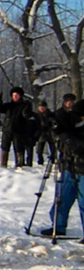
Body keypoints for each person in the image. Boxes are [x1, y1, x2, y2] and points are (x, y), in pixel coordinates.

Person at [42, 93, 78, 237]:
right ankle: (58, 225)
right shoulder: (61, 114)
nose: (69, 104)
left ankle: (59, 225)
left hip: (76, 161)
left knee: (73, 195)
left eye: (71, 102)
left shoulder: (75, 116)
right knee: (63, 195)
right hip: (69, 160)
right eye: (67, 101)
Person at [53, 99, 84, 243]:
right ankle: (58, 226)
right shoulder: (72, 126)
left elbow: (78, 145)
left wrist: (73, 141)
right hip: (69, 166)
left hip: (82, 169)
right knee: (62, 198)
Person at [0, 87, 32, 168]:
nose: (15, 97)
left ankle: (19, 165)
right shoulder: (9, 106)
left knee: (19, 148)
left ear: (20, 96)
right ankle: (3, 165)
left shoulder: (24, 105)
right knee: (4, 148)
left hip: (19, 131)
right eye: (14, 95)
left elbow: (27, 115)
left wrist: (28, 106)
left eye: (17, 95)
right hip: (7, 130)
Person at [35, 100, 56, 165]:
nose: (42, 108)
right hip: (41, 133)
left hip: (49, 133)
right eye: (40, 107)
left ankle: (53, 160)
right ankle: (40, 161)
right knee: (39, 150)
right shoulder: (37, 115)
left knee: (52, 148)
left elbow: (54, 122)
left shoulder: (50, 114)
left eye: (43, 107)